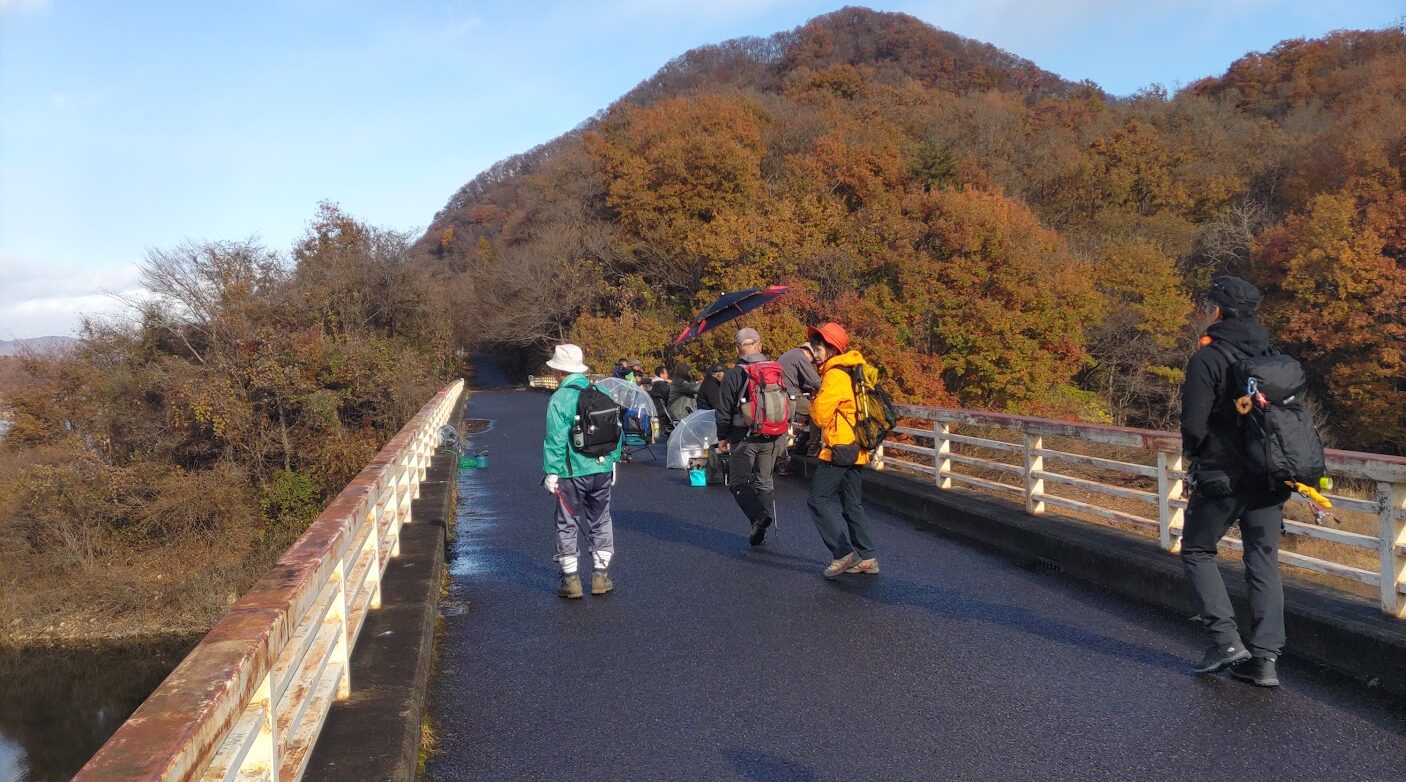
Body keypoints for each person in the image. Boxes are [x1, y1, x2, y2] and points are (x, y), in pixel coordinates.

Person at [1179, 276, 1289, 686]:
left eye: (1210, 304)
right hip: (1271, 475)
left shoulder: (1208, 358)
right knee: (1263, 562)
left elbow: (1193, 426)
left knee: (1197, 550)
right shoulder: (1271, 354)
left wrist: (1201, 453)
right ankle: (1265, 661)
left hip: (1224, 477)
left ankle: (1225, 641)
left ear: (1219, 310)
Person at [542, 344, 622, 599]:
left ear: (559, 371)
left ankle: (571, 581)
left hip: (571, 472)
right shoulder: (601, 391)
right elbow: (615, 429)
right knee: (600, 520)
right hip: (602, 468)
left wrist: (551, 472)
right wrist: (613, 461)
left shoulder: (559, 399)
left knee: (567, 524)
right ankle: (600, 576)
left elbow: (554, 440)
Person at [807, 322, 879, 578]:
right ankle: (867, 556)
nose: (814, 352)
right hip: (857, 446)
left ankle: (842, 553)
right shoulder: (853, 370)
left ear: (831, 348)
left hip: (839, 447)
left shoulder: (835, 375)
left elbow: (820, 416)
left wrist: (813, 402)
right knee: (852, 503)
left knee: (817, 500)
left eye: (817, 348)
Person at [716, 328, 788, 546]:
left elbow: (723, 410)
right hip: (773, 435)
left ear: (737, 348)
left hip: (743, 437)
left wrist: (722, 437)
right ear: (760, 345)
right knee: (764, 481)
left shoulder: (733, 375)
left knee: (738, 482)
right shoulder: (776, 370)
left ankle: (757, 518)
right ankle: (761, 527)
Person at [777, 342, 822, 473]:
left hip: (781, 395)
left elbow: (798, 382)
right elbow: (814, 381)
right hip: (791, 397)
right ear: (809, 352)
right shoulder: (801, 357)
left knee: (782, 428)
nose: (813, 361)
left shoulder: (789, 355)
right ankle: (812, 447)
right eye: (813, 359)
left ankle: (783, 459)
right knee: (817, 412)